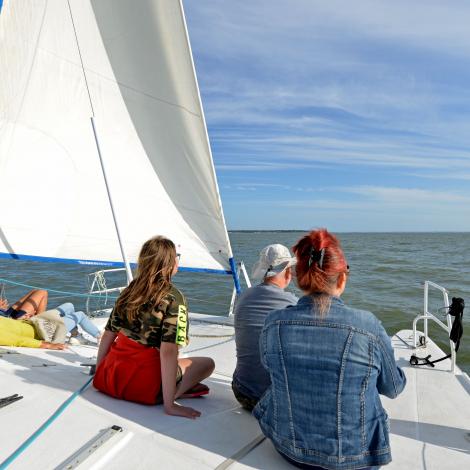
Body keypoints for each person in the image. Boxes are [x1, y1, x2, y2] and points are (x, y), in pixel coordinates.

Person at [253, 229, 406, 470]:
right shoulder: (368, 326)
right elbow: (393, 388)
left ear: (299, 278)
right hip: (355, 458)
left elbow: (268, 367)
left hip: (289, 450)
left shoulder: (274, 323)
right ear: (342, 278)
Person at [94, 236, 215, 419]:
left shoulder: (129, 290)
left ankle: (174, 387)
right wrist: (170, 406)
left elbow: (109, 334)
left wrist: (100, 373)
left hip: (111, 378)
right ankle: (173, 392)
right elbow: (168, 352)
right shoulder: (174, 298)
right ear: (170, 263)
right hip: (144, 387)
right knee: (207, 364)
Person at [232, 244, 298, 411]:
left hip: (241, 392)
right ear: (288, 272)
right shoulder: (293, 304)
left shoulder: (242, 297)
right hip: (273, 401)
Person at [1, 290, 101, 342]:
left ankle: (75, 335)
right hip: (42, 331)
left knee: (69, 306)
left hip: (24, 321)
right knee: (80, 315)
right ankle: (100, 337)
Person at [0, 316, 65, 350]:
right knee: (73, 314)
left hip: (36, 322)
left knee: (68, 305)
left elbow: (10, 324)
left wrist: (24, 319)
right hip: (45, 331)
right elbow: (19, 340)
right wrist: (49, 345)